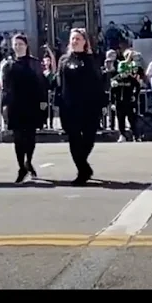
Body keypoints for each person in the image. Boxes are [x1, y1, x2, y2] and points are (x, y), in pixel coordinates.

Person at [56, 28, 106, 185]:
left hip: (89, 106)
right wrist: (57, 103)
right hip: (69, 106)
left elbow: (99, 82)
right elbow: (59, 83)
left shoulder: (91, 59)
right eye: (73, 38)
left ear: (85, 41)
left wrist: (103, 103)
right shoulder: (64, 60)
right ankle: (82, 170)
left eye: (78, 38)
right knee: (74, 139)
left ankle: (83, 165)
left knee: (89, 139)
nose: (75, 41)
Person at [0, 33, 48, 183]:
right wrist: (3, 106)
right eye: (15, 44)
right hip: (15, 104)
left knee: (30, 137)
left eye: (20, 44)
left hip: (31, 103)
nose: (18, 47)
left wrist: (43, 103)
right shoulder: (8, 64)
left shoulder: (34, 63)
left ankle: (29, 161)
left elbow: (42, 84)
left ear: (26, 46)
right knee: (18, 138)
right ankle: (21, 167)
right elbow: (4, 87)